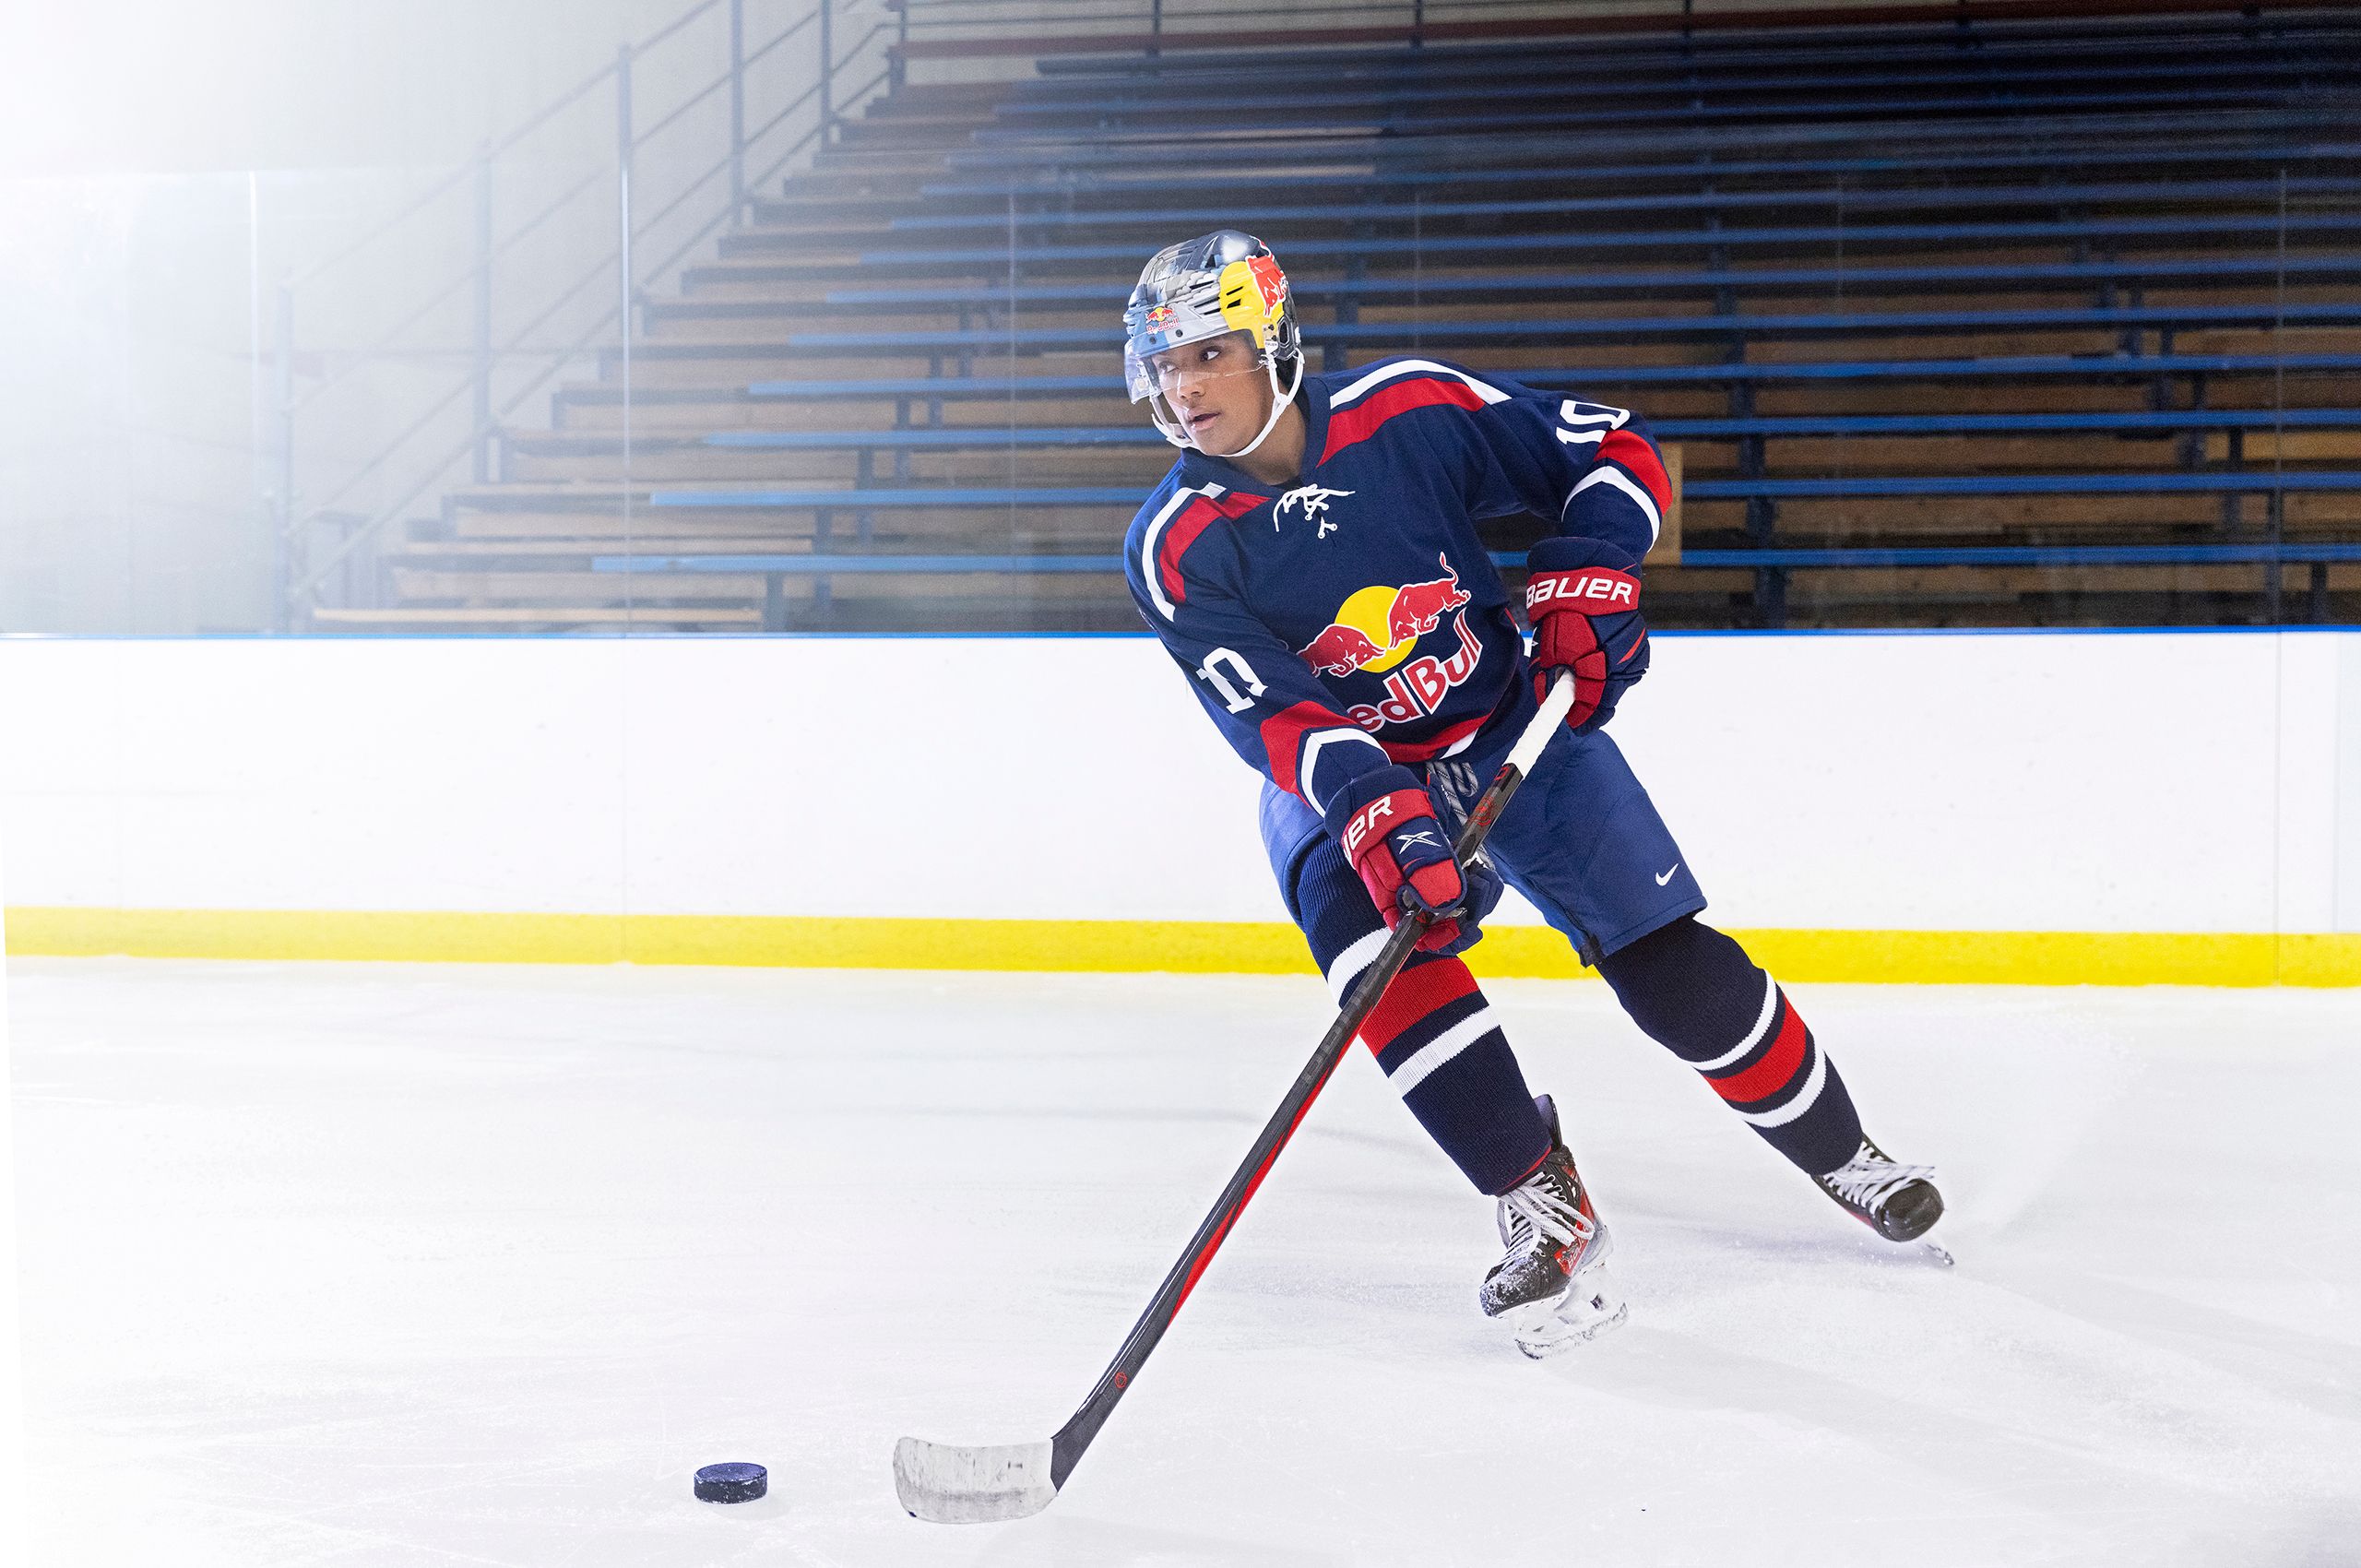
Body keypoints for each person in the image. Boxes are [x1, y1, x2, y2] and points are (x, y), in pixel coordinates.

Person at [1119, 231, 1944, 1359]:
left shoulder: (1408, 408)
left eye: (1207, 352)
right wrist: (1371, 803)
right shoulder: (1173, 544)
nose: (1181, 385)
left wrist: (1597, 557)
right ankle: (1537, 1194)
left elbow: (1620, 447)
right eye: (1163, 363)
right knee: (1372, 954)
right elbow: (1269, 712)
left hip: (1510, 716)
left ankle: (1844, 1151)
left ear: (1274, 345)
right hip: (1345, 764)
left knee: (1670, 970)